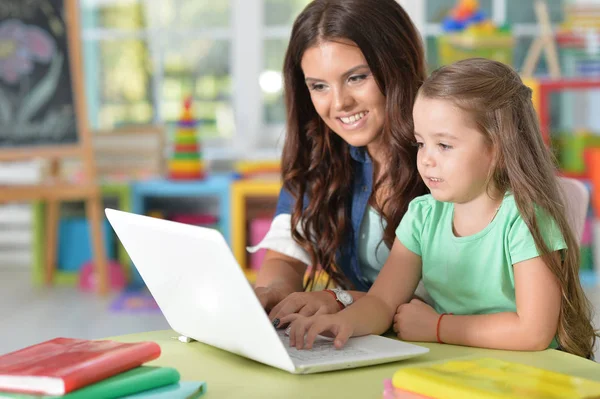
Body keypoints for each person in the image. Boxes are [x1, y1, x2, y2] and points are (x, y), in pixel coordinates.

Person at [283, 58, 598, 359]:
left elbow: (532, 332)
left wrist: (437, 326)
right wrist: (344, 322)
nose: (427, 159)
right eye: (421, 143)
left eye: (444, 145)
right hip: (455, 368)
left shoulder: (525, 219)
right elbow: (382, 301)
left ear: (499, 148)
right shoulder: (422, 215)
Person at [250, 0, 429, 324]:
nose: (339, 103)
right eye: (319, 86)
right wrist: (275, 292)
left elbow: (452, 294)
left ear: (398, 64)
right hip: (364, 342)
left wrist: (343, 300)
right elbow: (285, 258)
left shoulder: (446, 154)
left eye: (357, 78)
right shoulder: (320, 156)